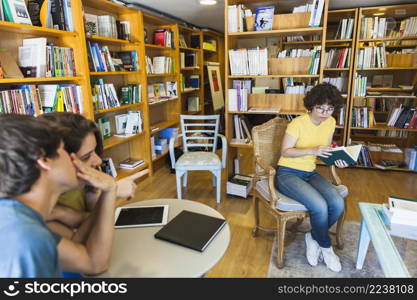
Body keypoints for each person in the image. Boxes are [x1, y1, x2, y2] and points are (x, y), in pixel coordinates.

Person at [0, 114, 116, 277]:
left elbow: (92, 262)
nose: (71, 160)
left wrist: (109, 190)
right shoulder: (26, 239)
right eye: (62, 150)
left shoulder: (17, 218)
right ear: (43, 160)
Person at [275, 83, 348, 273]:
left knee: (338, 203)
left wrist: (337, 158)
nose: (324, 113)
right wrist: (312, 150)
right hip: (287, 173)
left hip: (310, 172)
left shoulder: (330, 122)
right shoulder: (297, 123)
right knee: (320, 206)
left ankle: (313, 237)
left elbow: (324, 151)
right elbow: (285, 151)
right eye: (320, 108)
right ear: (311, 105)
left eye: (330, 109)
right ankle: (326, 247)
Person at [38, 112, 146, 239]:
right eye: (85, 157)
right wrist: (111, 191)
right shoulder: (39, 206)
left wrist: (64, 214)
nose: (99, 161)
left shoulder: (83, 180)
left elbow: (95, 220)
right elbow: (80, 247)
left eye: (94, 151)